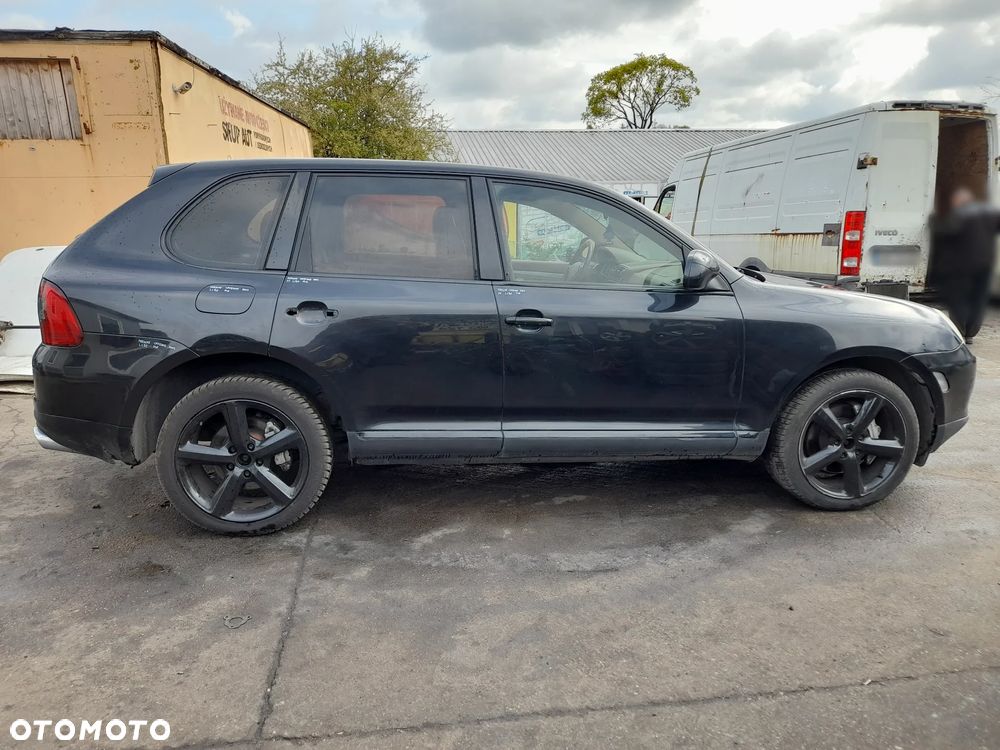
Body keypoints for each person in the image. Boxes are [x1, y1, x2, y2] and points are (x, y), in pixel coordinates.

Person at [930, 187, 1000, 342]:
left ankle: (959, 332)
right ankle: (970, 334)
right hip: (984, 265)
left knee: (958, 299)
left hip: (961, 266)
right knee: (978, 300)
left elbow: (943, 232)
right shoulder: (989, 215)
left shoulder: (957, 216)